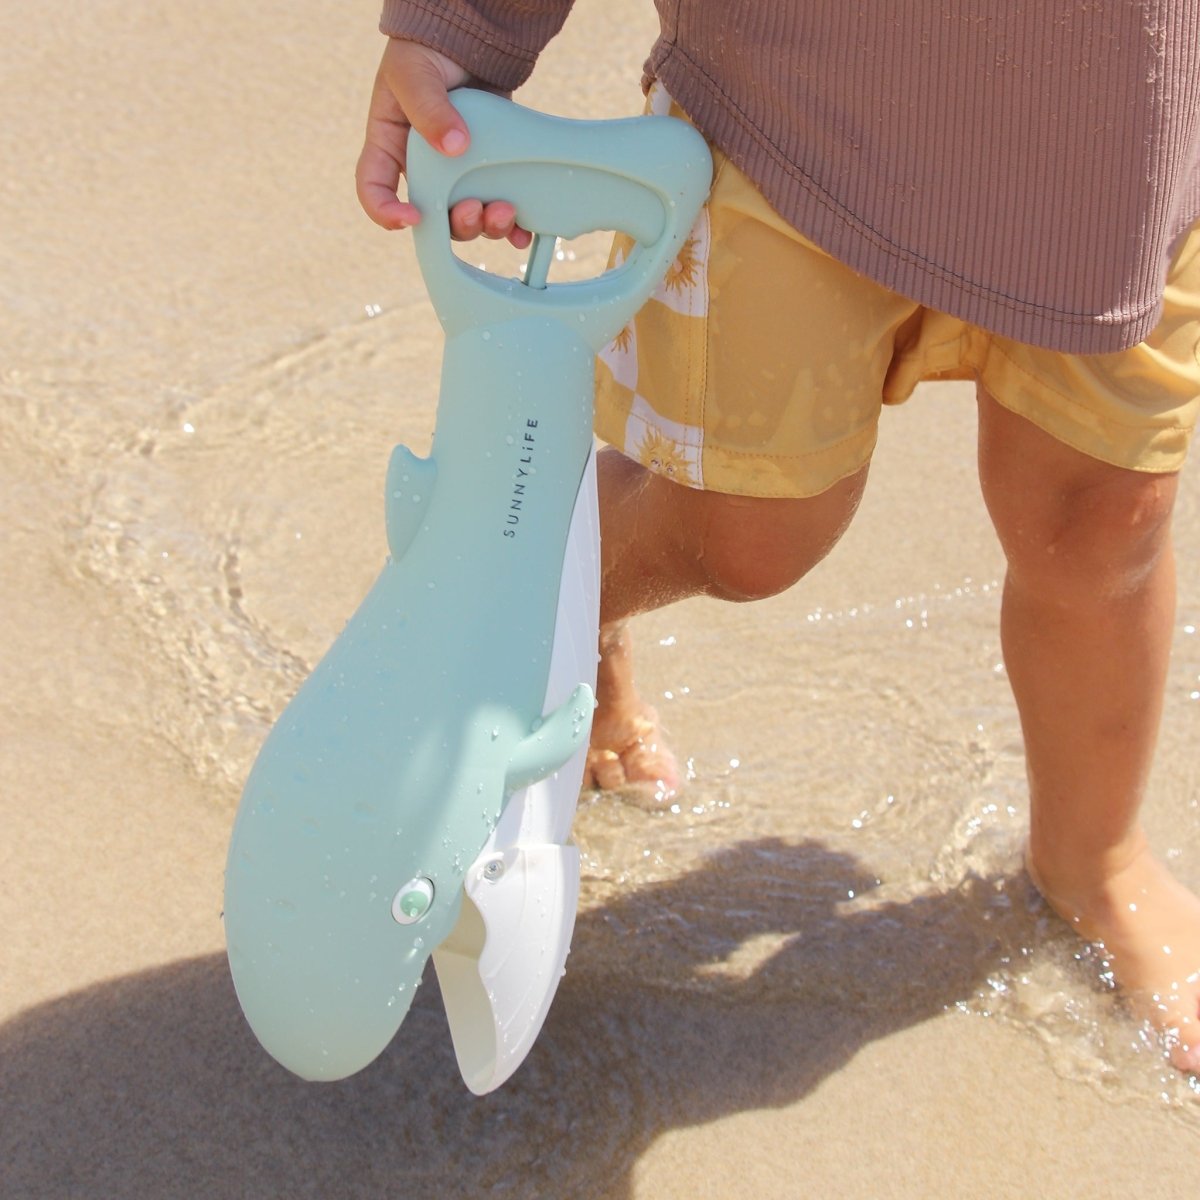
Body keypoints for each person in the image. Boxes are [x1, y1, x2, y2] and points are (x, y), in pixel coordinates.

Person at [355, 2, 1200, 1071]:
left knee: (1101, 525)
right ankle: (561, 594)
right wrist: (466, 26)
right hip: (799, 107)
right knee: (741, 527)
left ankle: (1095, 855)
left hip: (1120, 137)